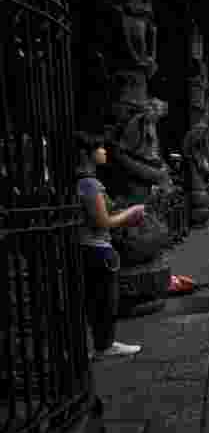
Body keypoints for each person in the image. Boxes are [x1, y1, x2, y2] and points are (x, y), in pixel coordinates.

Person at [74, 132, 145, 359]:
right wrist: (131, 214)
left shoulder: (82, 182)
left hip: (90, 247)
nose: (104, 152)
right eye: (100, 148)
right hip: (97, 248)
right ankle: (105, 346)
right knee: (104, 301)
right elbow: (103, 222)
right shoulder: (89, 184)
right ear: (87, 154)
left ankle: (102, 344)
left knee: (99, 300)